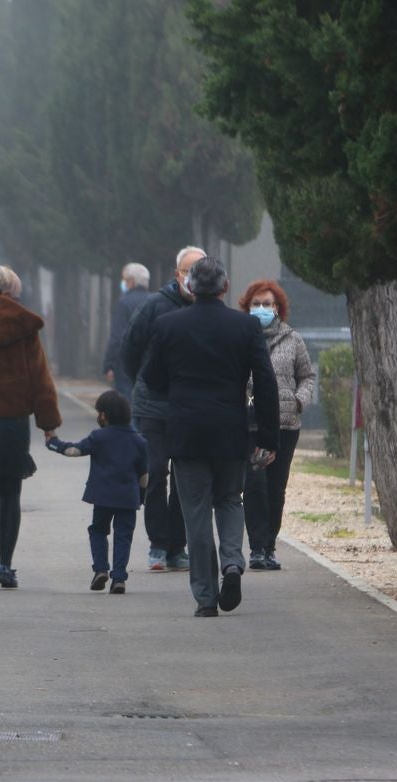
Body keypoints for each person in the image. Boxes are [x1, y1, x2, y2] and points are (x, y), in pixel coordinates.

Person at [142, 256, 279, 617]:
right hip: (230, 429)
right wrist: (268, 435)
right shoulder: (245, 327)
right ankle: (232, 562)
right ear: (225, 287)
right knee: (231, 500)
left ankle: (205, 597)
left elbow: (152, 379)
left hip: (186, 430)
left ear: (190, 285)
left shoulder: (167, 325)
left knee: (196, 512)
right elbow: (265, 382)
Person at [0, 265, 62, 590]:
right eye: (16, 294)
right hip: (14, 421)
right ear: (7, 293)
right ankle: (5, 566)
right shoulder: (22, 325)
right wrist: (48, 424)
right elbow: (39, 377)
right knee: (9, 493)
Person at [120, 246, 200, 572]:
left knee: (185, 478)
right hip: (153, 405)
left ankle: (177, 546)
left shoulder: (207, 310)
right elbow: (130, 348)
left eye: (200, 271)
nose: (192, 278)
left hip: (190, 407)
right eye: (187, 271)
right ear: (177, 273)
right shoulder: (154, 305)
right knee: (155, 474)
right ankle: (157, 544)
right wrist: (144, 380)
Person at [238, 280, 316, 571]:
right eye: (256, 304)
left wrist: (299, 400)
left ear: (278, 307)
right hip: (253, 424)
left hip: (285, 423)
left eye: (267, 304)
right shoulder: (241, 336)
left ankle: (270, 545)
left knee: (276, 487)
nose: (262, 309)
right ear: (247, 307)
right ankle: (256, 547)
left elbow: (307, 375)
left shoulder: (293, 339)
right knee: (255, 484)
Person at [46, 390, 148, 594]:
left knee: (98, 530)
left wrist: (53, 442)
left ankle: (101, 569)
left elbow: (74, 450)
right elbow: (144, 476)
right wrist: (140, 497)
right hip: (128, 498)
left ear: (104, 415)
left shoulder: (99, 437)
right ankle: (119, 577)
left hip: (102, 496)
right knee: (123, 536)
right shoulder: (139, 441)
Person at [103, 262, 151, 400]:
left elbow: (117, 337)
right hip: (149, 365)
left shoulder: (124, 303)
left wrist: (108, 364)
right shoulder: (156, 301)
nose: (123, 283)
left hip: (126, 367)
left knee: (127, 407)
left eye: (124, 279)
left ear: (131, 281)